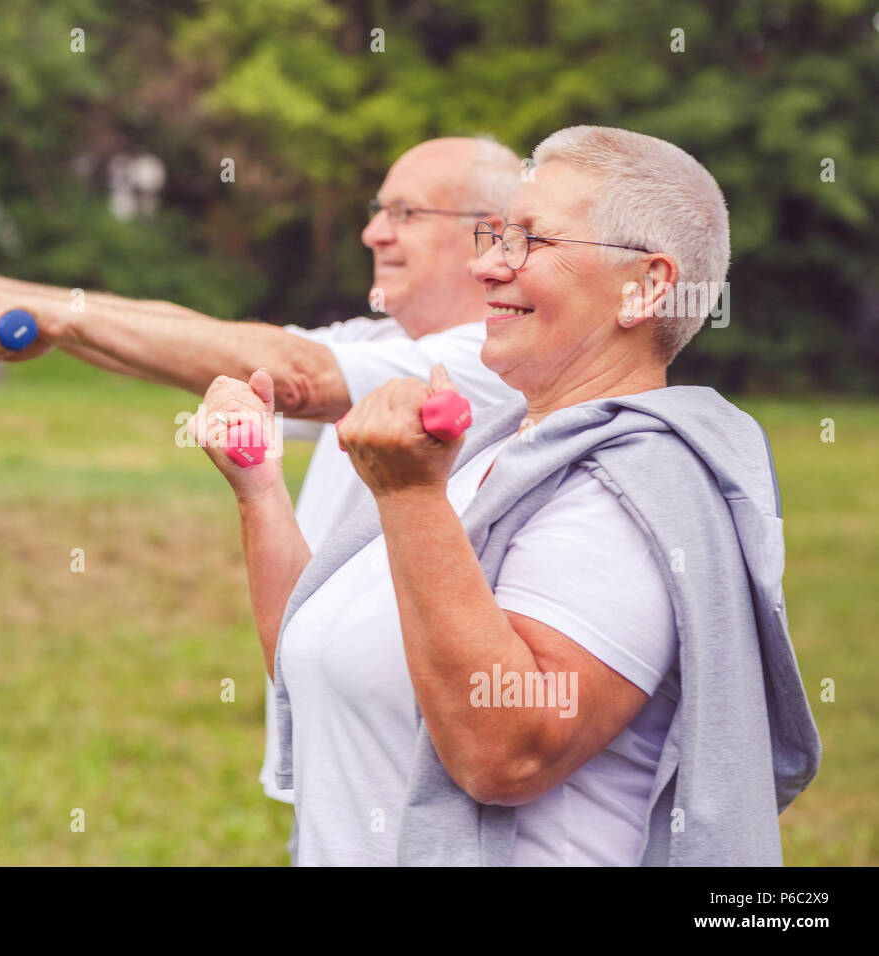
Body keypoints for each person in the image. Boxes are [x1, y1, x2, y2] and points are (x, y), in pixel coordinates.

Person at [194, 125, 821, 865]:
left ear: (647, 286)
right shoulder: (487, 453)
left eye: (531, 240)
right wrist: (260, 487)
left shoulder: (633, 490)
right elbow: (313, 653)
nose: (487, 266)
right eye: (493, 235)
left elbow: (506, 753)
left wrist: (410, 498)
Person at [0, 137, 522, 857]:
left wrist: (59, 316)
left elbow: (291, 375)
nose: (373, 231)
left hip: (412, 781)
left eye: (405, 212)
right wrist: (12, 298)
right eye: (378, 208)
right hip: (347, 761)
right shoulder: (382, 340)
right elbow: (202, 339)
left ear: (490, 235)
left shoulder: (482, 361)